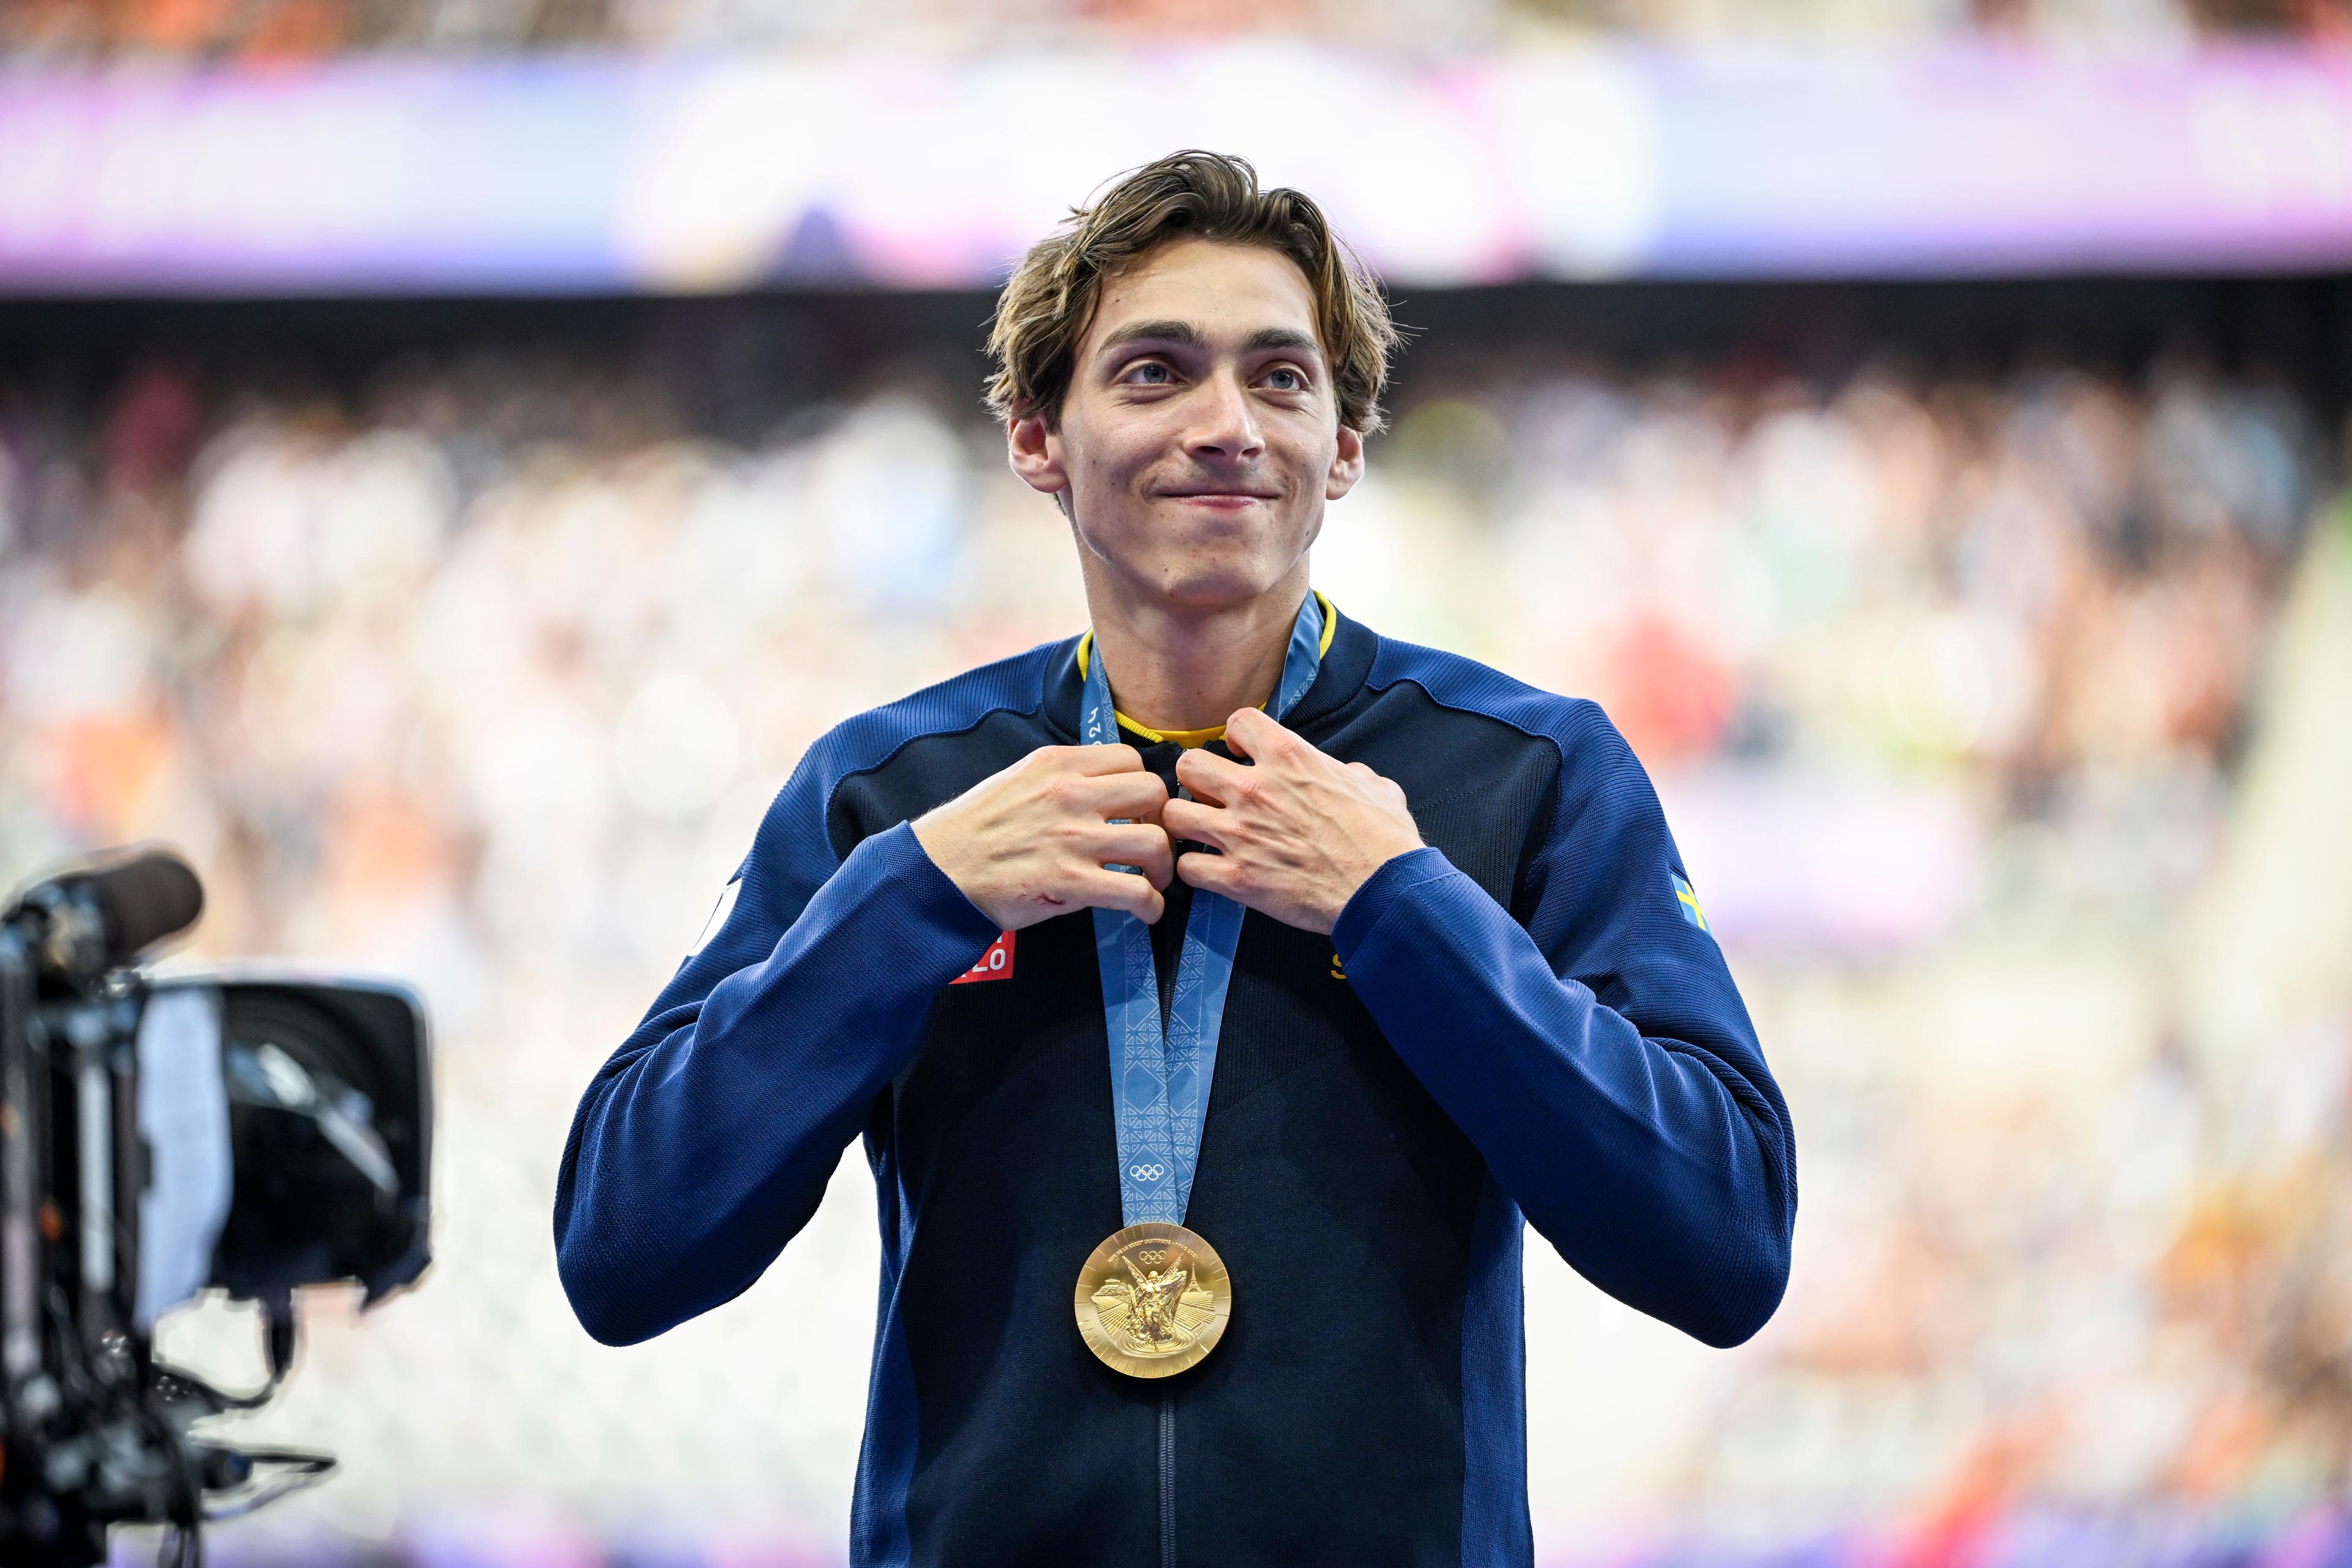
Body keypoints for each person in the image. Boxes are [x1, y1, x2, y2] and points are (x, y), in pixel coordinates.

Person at [554, 150, 1796, 1567]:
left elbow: (1725, 1239)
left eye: (1280, 377)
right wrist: (914, 899)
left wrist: (1402, 904)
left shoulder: (1525, 770)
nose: (1226, 425)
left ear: (1343, 443)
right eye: (1154, 372)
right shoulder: (896, 791)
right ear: (1038, 437)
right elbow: (624, 1246)